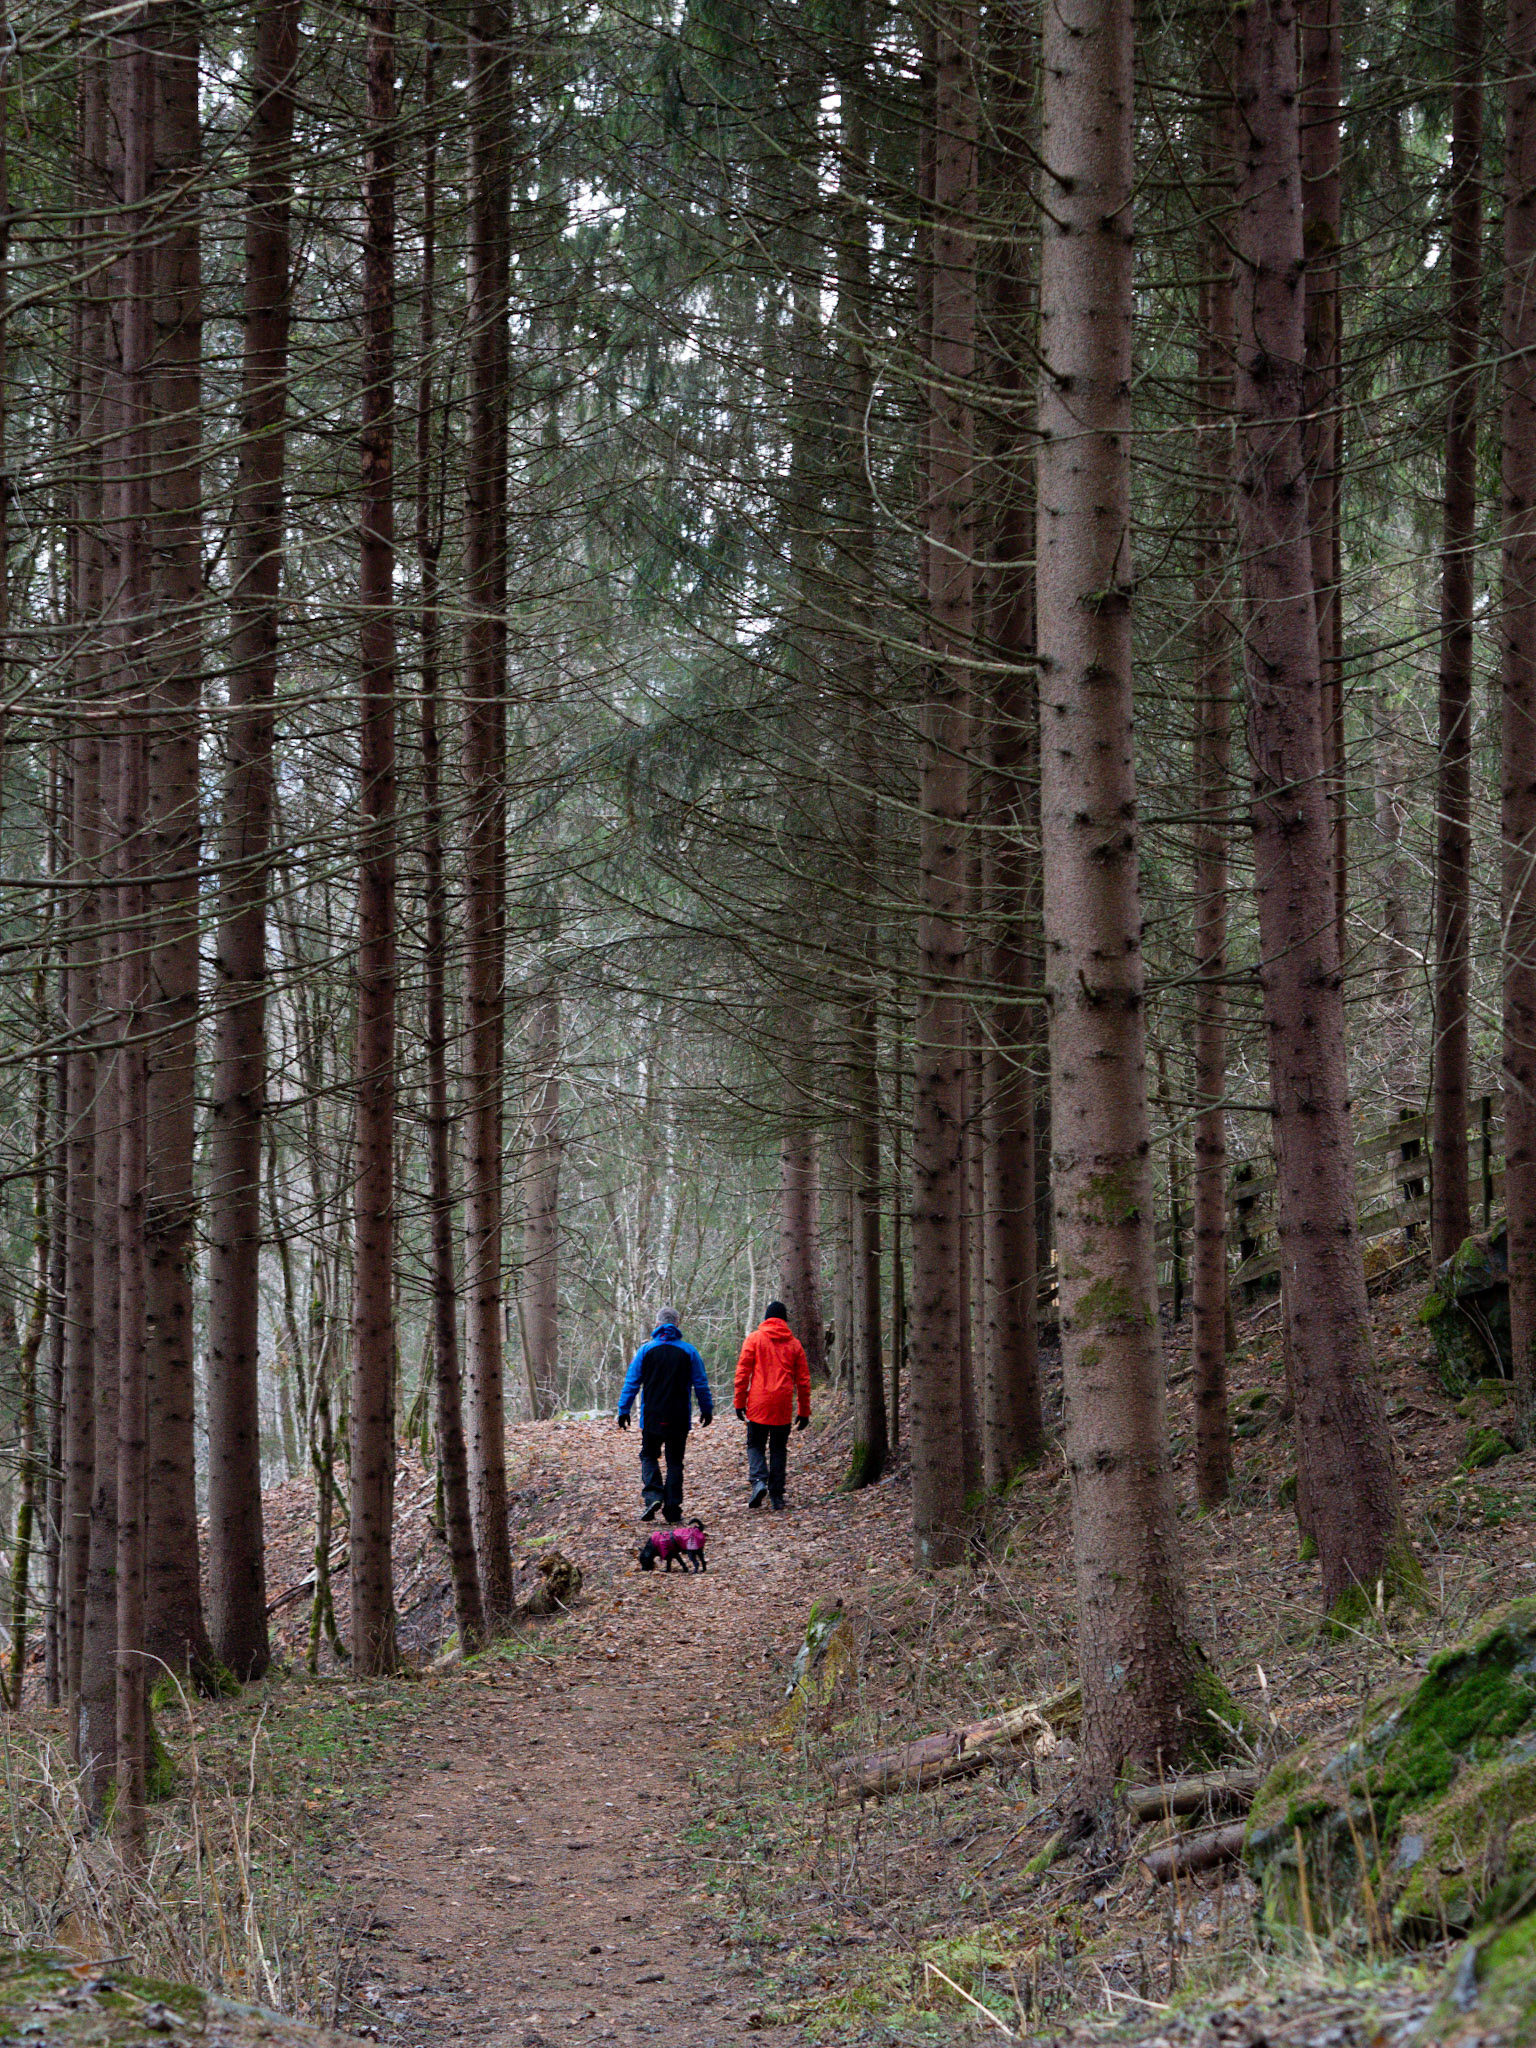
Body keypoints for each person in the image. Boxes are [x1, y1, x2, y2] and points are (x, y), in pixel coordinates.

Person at [616, 1307, 713, 1523]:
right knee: (675, 1462)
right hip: (679, 1416)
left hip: (652, 1415)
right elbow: (700, 1383)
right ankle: (672, 1509)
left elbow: (632, 1382)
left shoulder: (646, 1351)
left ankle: (653, 1495)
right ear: (677, 1324)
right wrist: (706, 1408)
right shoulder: (689, 1351)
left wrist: (624, 1409)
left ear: (657, 1324)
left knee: (649, 1456)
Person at [732, 1300, 811, 1511]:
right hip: (782, 1405)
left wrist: (739, 1401)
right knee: (778, 1449)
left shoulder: (754, 1339)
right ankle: (776, 1495)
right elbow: (803, 1380)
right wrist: (804, 1411)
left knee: (755, 1445)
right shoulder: (794, 1344)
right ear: (785, 1320)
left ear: (766, 1318)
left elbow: (742, 1373)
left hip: (758, 1403)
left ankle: (759, 1481)